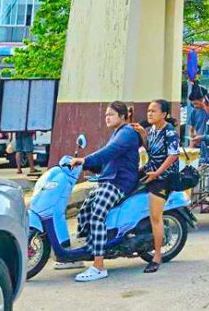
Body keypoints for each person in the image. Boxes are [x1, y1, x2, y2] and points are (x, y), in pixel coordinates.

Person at [67, 101, 142, 282]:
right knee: (84, 211)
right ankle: (81, 254)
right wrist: (90, 165)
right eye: (106, 115)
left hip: (119, 183)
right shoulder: (118, 132)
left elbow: (109, 152)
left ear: (122, 116)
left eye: (111, 114)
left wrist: (84, 160)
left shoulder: (127, 133)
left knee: (97, 215)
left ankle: (99, 266)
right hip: (110, 180)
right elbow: (108, 159)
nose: (107, 117)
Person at [141, 99, 180, 274]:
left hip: (163, 178)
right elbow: (149, 150)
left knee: (155, 217)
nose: (150, 114)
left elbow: (173, 155)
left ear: (164, 114)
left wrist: (157, 173)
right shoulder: (151, 130)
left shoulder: (169, 132)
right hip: (150, 173)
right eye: (149, 111)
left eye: (154, 111)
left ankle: (157, 256)